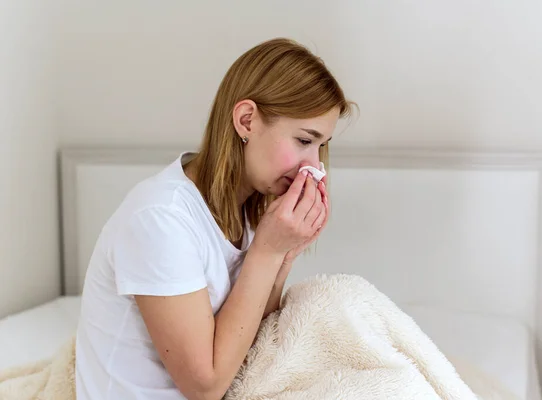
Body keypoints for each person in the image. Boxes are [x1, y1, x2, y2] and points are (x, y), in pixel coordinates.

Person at [74, 37, 355, 400]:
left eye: (322, 146)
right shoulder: (160, 219)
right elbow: (204, 385)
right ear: (246, 120)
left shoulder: (248, 207)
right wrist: (267, 251)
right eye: (304, 140)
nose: (314, 165)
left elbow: (250, 338)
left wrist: (285, 251)